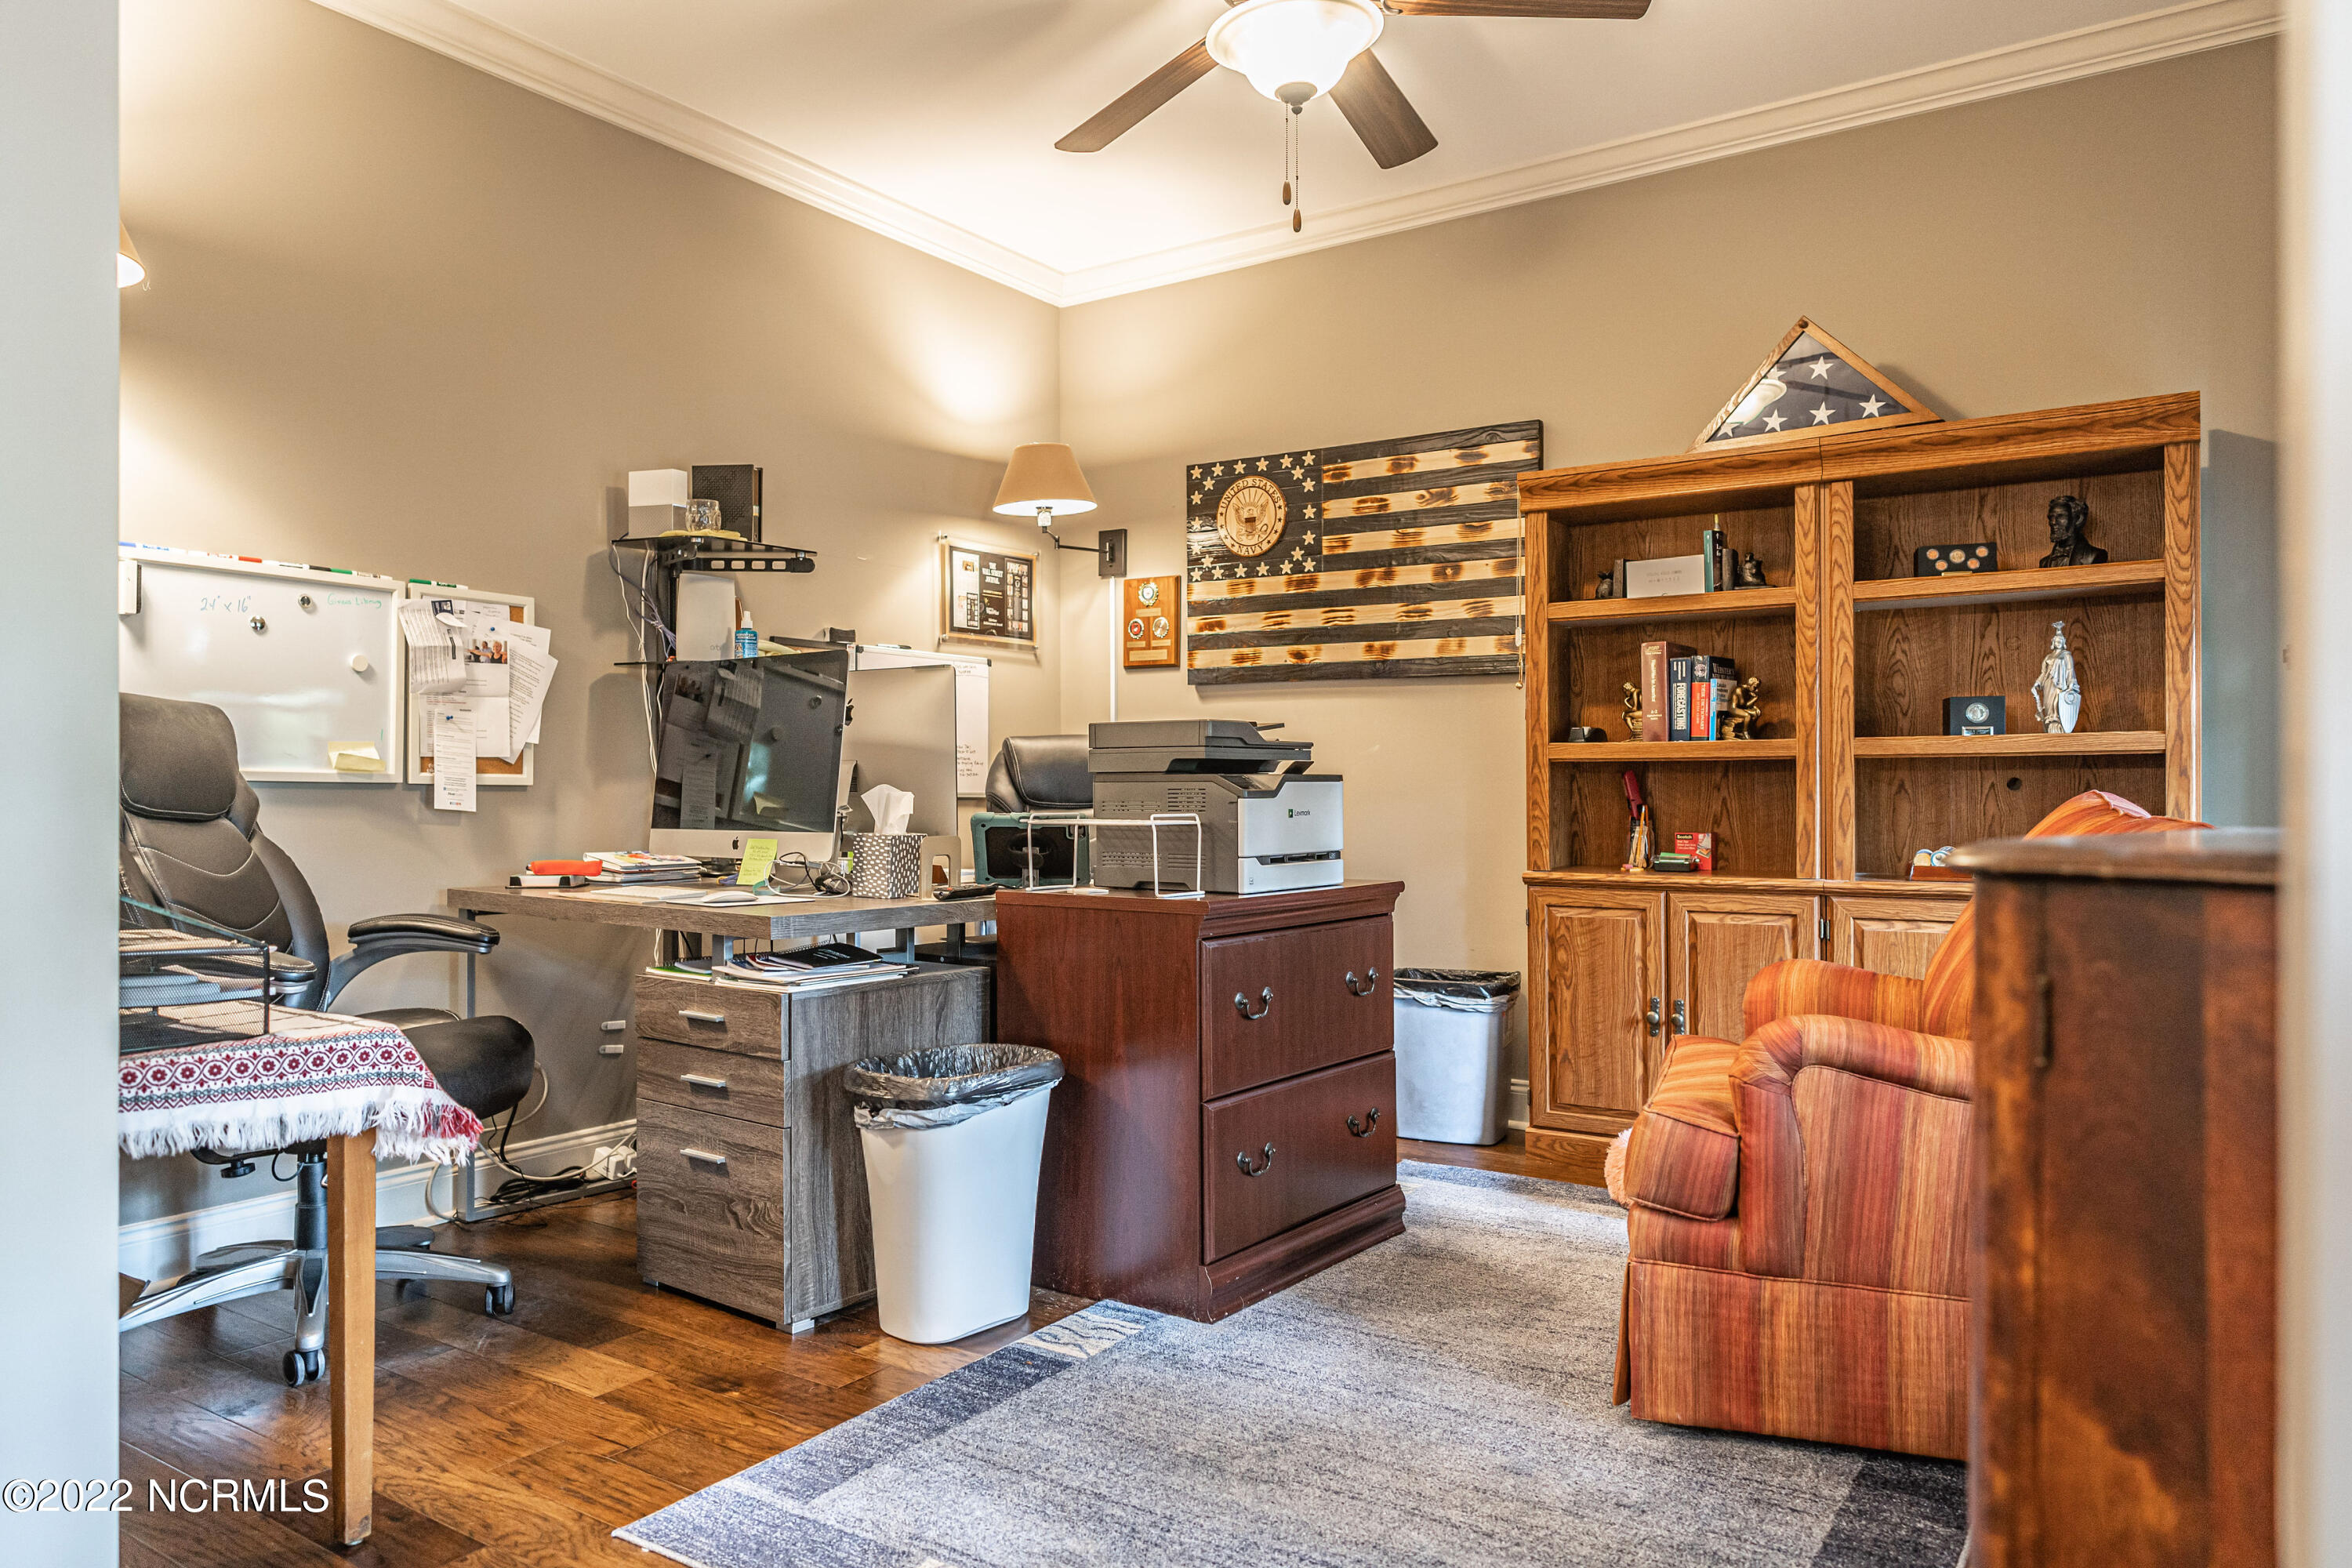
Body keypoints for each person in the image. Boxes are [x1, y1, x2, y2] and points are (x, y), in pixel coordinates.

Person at [2041, 495, 2108, 566]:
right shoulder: (2044, 563)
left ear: (2079, 519)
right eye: (2051, 517)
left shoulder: (2093, 555)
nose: (2053, 522)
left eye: (2060, 517)